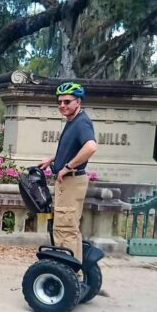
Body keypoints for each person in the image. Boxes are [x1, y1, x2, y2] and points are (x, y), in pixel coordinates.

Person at [38, 81, 98, 264]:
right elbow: (73, 148)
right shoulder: (73, 121)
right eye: (60, 102)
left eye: (67, 101)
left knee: (65, 229)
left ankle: (70, 273)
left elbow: (90, 147)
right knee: (67, 227)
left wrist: (68, 167)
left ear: (78, 102)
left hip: (72, 181)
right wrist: (53, 159)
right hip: (69, 182)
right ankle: (72, 271)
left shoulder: (81, 123)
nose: (62, 105)